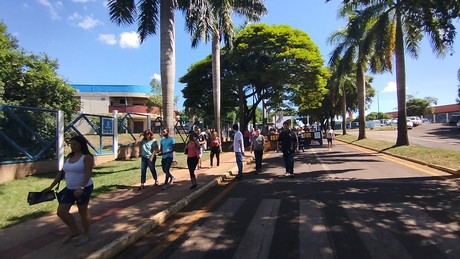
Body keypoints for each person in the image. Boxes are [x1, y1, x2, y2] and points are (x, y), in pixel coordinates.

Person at [43, 135, 94, 246]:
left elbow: (88, 173)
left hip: (83, 187)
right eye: (71, 144)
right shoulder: (69, 156)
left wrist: (81, 188)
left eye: (75, 144)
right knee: (61, 212)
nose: (72, 146)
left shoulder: (87, 157)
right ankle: (75, 230)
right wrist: (50, 187)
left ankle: (87, 234)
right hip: (69, 188)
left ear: (81, 144)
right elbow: (61, 173)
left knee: (83, 211)